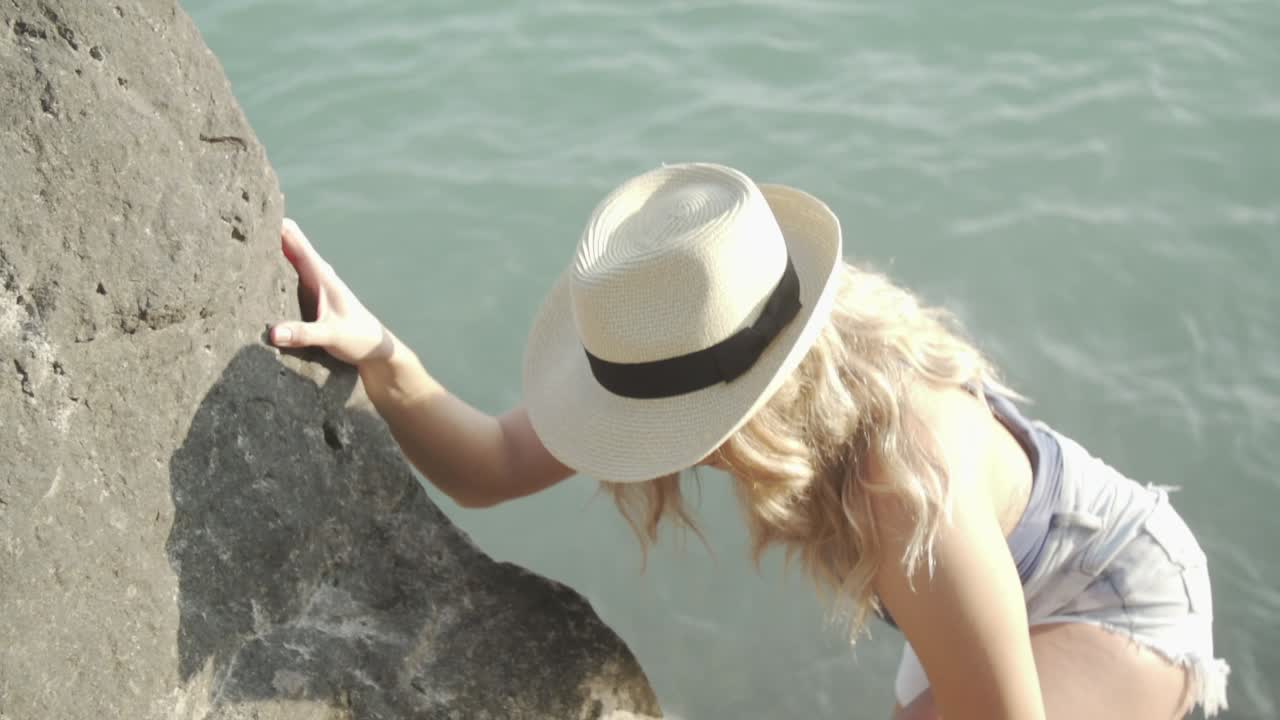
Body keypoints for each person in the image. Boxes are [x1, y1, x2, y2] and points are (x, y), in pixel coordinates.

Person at [268, 163, 1228, 719]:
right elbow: (494, 467)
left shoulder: (900, 481)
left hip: (1112, 595)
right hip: (975, 578)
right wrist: (382, 355)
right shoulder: (716, 334)